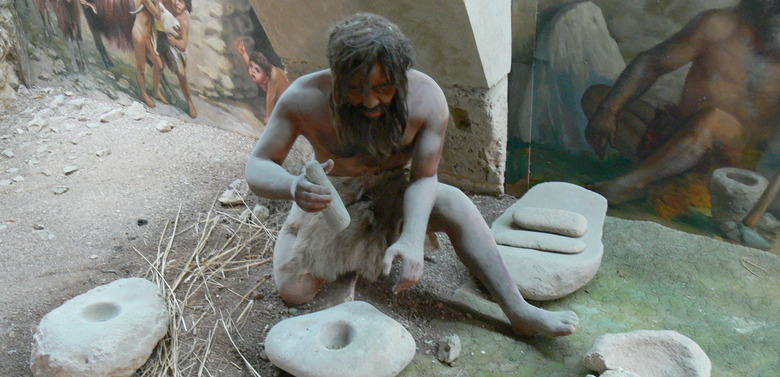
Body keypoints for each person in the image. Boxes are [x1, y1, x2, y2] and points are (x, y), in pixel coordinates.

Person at [245, 13, 578, 337]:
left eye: (384, 87)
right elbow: (258, 166)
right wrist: (293, 187)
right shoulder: (303, 99)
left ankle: (518, 310)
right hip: (335, 197)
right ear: (336, 76)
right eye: (356, 89)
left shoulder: (426, 99)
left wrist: (413, 237)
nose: (370, 100)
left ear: (401, 77)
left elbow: (423, 178)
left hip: (393, 189)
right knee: (294, 291)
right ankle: (300, 228)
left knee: (453, 202)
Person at [582, 0, 780, 205]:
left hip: (730, 163)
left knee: (714, 120)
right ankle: (661, 173)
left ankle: (631, 184)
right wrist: (609, 109)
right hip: (678, 134)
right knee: (598, 98)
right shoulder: (719, 25)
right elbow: (651, 63)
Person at [153, 0, 197, 118]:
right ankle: (156, 91)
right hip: (162, 38)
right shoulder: (168, 5)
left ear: (186, 7)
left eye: (181, 2)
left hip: (175, 47)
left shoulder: (183, 21)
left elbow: (183, 45)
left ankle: (190, 102)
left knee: (181, 74)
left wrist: (175, 42)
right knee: (159, 65)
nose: (176, 3)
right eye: (176, 0)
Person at [234, 38, 290, 124]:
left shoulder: (272, 77)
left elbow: (270, 98)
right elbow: (251, 67)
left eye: (257, 70)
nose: (252, 71)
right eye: (251, 66)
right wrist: (243, 53)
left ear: (266, 75)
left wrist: (268, 117)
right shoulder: (262, 74)